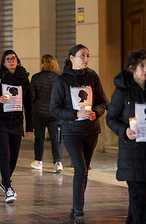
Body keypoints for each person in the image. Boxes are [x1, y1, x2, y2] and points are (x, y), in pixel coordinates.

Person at [50, 44, 108, 224]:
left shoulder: (92, 76)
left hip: (91, 131)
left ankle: (76, 208)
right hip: (71, 132)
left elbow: (103, 102)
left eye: (88, 56)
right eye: (82, 55)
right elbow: (54, 109)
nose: (86, 59)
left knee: (84, 172)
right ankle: (78, 211)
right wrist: (76, 114)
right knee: (80, 169)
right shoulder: (62, 81)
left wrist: (95, 113)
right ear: (72, 58)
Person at [0, 50, 33, 203]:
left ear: (17, 60)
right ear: (3, 63)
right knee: (5, 154)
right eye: (8, 59)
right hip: (1, 122)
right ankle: (8, 187)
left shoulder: (24, 80)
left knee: (14, 157)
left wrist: (30, 126)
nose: (11, 61)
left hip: (17, 122)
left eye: (13, 58)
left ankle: (4, 181)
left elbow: (29, 103)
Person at [106, 49, 146, 224]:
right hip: (132, 153)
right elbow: (111, 118)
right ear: (132, 67)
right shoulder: (122, 92)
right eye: (142, 66)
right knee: (138, 198)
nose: (145, 70)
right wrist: (124, 131)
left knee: (140, 200)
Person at [30, 54, 63, 172]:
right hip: (55, 113)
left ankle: (39, 161)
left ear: (43, 64)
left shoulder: (36, 77)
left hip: (39, 113)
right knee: (56, 138)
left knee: (39, 137)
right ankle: (58, 162)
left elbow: (32, 96)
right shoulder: (59, 78)